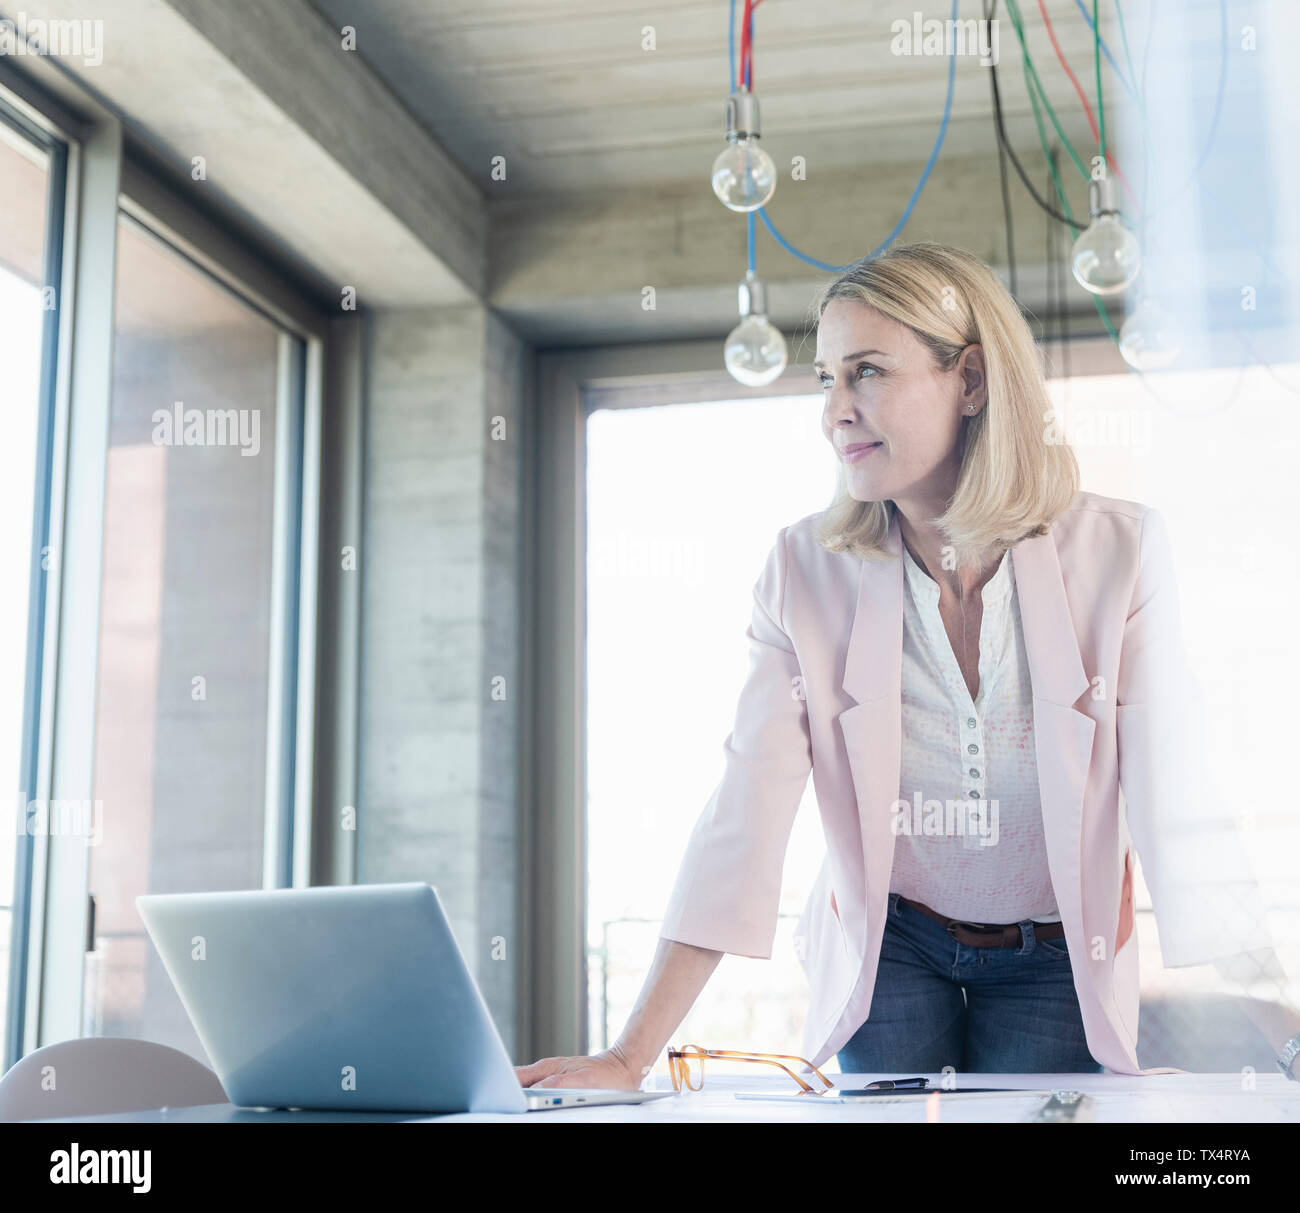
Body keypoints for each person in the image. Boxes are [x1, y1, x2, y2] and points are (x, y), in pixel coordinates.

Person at [516, 241, 1296, 1091]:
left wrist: (1287, 1032)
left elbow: (1176, 806)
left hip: (1053, 951)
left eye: (868, 372)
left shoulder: (1119, 553)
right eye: (825, 378)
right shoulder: (802, 573)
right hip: (893, 947)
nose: (834, 411)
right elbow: (742, 816)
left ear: (970, 380)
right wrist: (629, 1056)